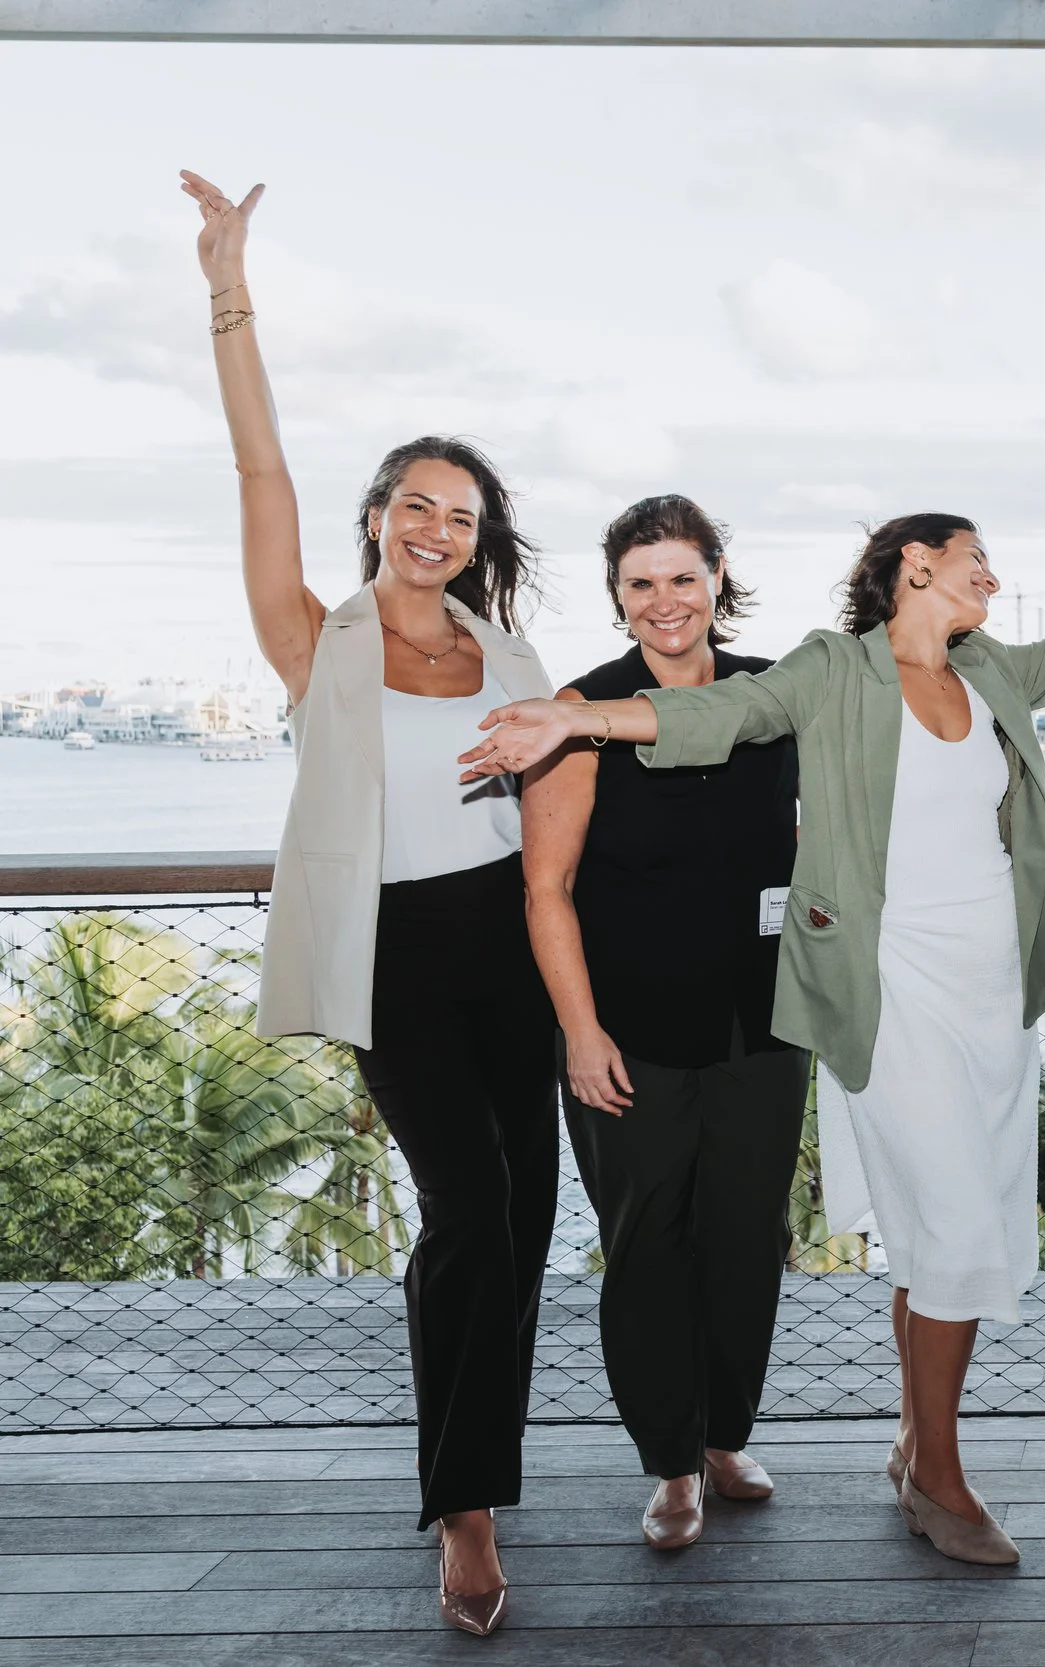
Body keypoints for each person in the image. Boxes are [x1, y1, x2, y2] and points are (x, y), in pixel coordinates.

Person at [460, 515, 1045, 1568]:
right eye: (975, 564)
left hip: (895, 1000)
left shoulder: (987, 663)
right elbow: (710, 720)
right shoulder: (823, 670)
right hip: (822, 997)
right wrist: (568, 715)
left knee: (801, 1237)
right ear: (916, 569)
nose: (993, 580)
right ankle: (842, 1470)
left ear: (715, 579)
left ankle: (840, 1442)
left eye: (682, 575)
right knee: (750, 1240)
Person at [183, 171, 555, 1638]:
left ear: (478, 540)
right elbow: (259, 470)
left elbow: (567, 819)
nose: (435, 527)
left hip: (505, 948)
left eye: (459, 515)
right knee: (467, 1202)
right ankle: (459, 1508)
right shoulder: (312, 639)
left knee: (521, 1219)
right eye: (415, 501)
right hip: (393, 950)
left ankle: (487, 1471)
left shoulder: (515, 662)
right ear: (382, 514)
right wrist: (230, 285)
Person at [518, 495, 807, 1552]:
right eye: (641, 582)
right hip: (626, 1026)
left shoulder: (772, 694)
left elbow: (861, 798)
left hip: (764, 1023)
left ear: (718, 576)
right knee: (648, 1243)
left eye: (682, 576)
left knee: (745, 1237)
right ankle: (672, 1464)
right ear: (618, 597)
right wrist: (581, 1032)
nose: (664, 599)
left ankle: (725, 1432)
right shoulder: (578, 709)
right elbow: (546, 889)